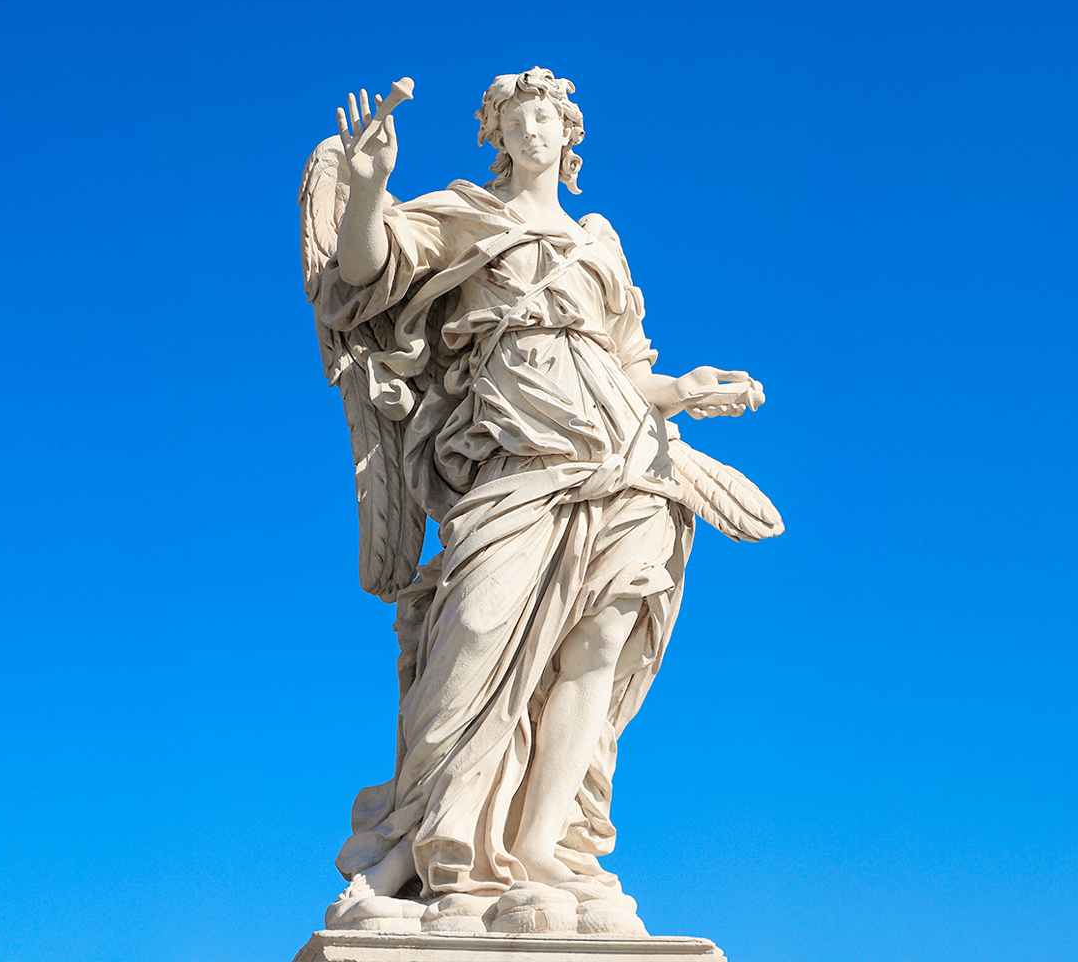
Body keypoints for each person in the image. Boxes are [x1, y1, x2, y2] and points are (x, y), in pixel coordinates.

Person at [308, 68, 770, 922]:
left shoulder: (601, 243)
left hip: (627, 458)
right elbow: (363, 276)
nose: (532, 131)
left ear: (568, 135)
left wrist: (681, 390)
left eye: (545, 119)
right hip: (513, 461)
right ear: (496, 136)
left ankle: (541, 844)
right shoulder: (465, 216)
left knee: (596, 645)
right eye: (515, 120)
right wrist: (368, 188)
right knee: (473, 639)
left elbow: (626, 364)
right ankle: (427, 847)